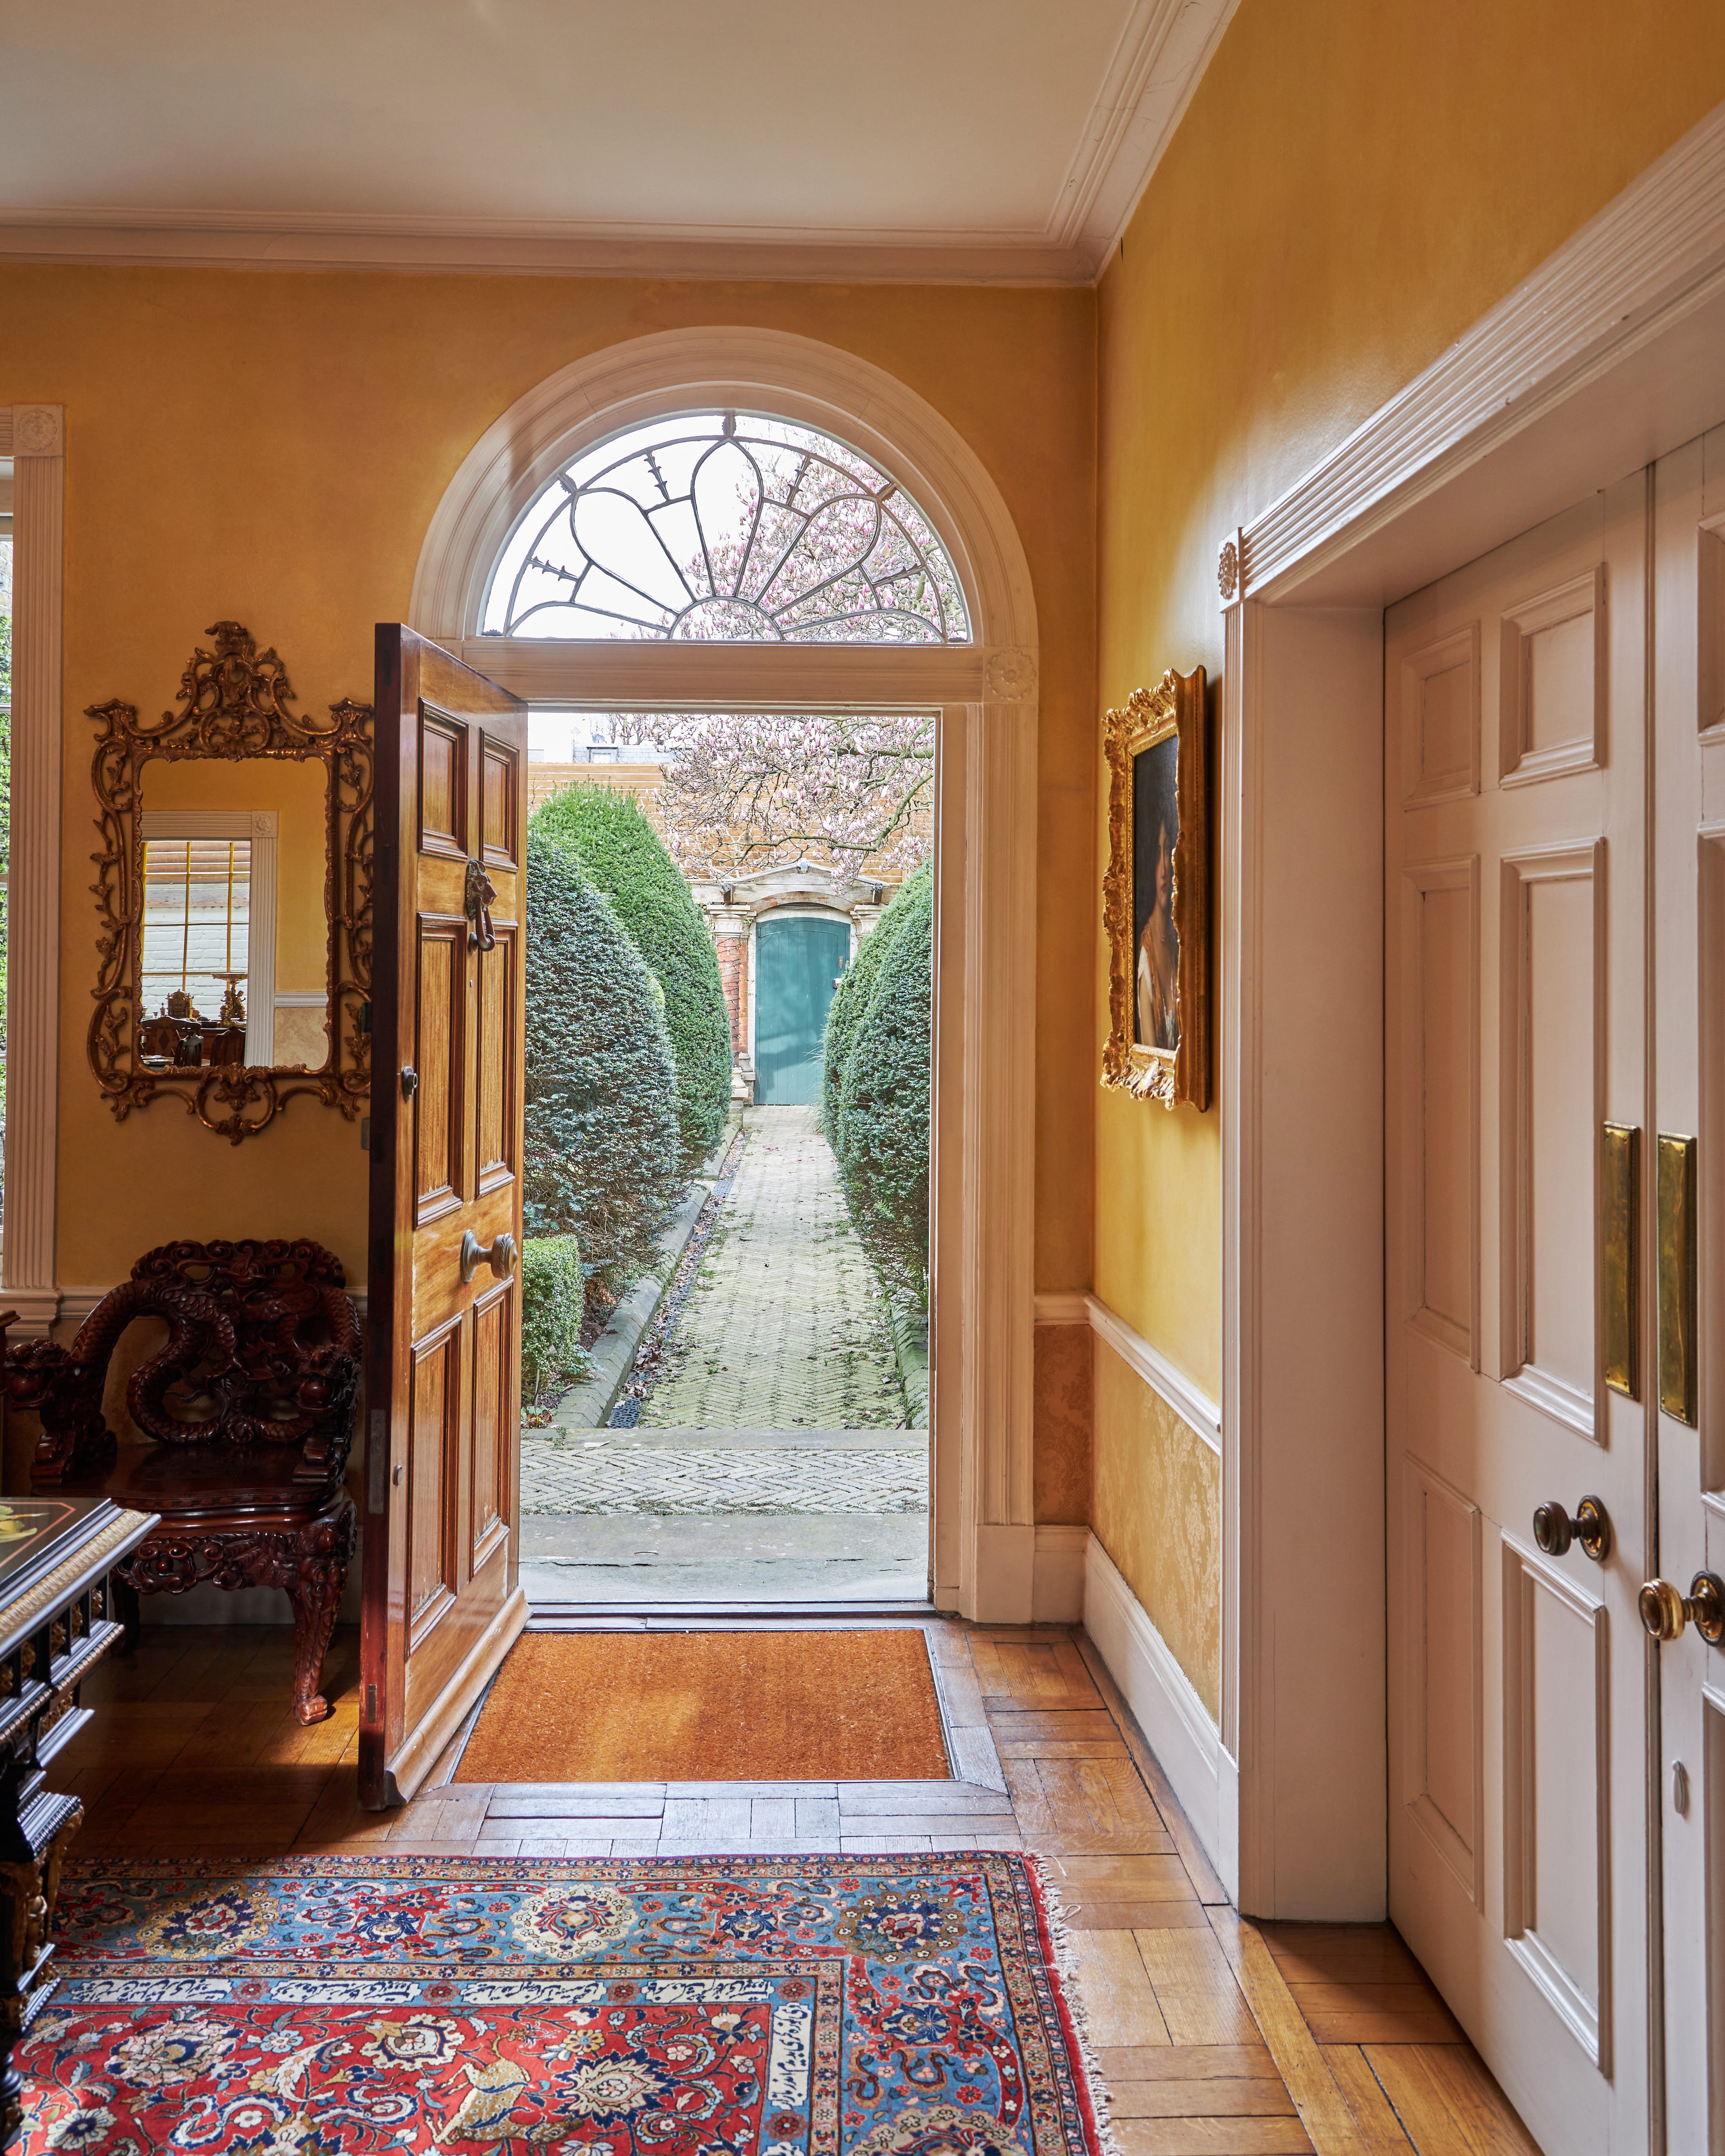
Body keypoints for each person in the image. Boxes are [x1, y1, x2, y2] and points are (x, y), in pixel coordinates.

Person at [1136, 783, 1179, 1052]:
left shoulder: (1176, 941)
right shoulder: (1144, 956)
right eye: (1157, 854)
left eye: (1167, 851)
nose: (1164, 869)